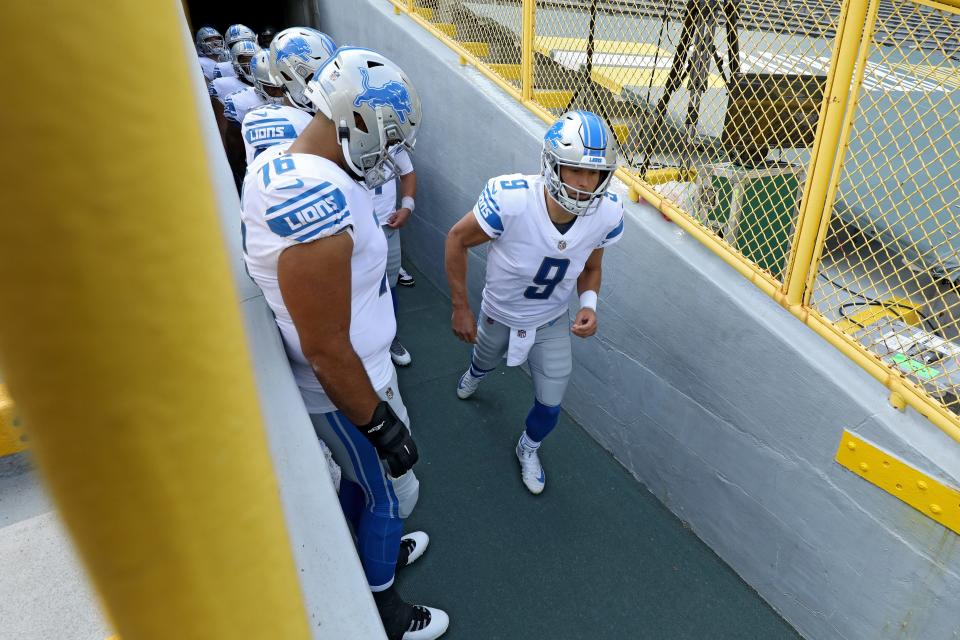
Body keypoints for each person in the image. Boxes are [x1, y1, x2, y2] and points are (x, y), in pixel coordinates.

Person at [240, 47, 447, 640]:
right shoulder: (315, 201)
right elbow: (326, 345)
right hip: (341, 386)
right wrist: (379, 421)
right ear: (357, 122)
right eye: (388, 137)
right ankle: (381, 611)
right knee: (388, 494)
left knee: (369, 488)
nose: (390, 154)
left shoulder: (288, 158)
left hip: (356, 370)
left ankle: (366, 559)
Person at [445, 110, 624, 495]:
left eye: (594, 174)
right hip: (500, 312)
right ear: (551, 164)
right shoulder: (511, 198)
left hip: (550, 318)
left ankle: (528, 447)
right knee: (485, 360)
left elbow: (592, 266)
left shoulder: (606, 212)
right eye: (574, 170)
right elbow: (456, 239)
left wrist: (589, 305)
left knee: (551, 402)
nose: (584, 183)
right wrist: (461, 306)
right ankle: (475, 374)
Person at [368, 147, 417, 366]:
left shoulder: (390, 139)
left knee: (390, 284)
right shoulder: (339, 138)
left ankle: (389, 338)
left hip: (387, 224)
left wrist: (407, 206)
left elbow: (407, 172)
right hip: (353, 227)